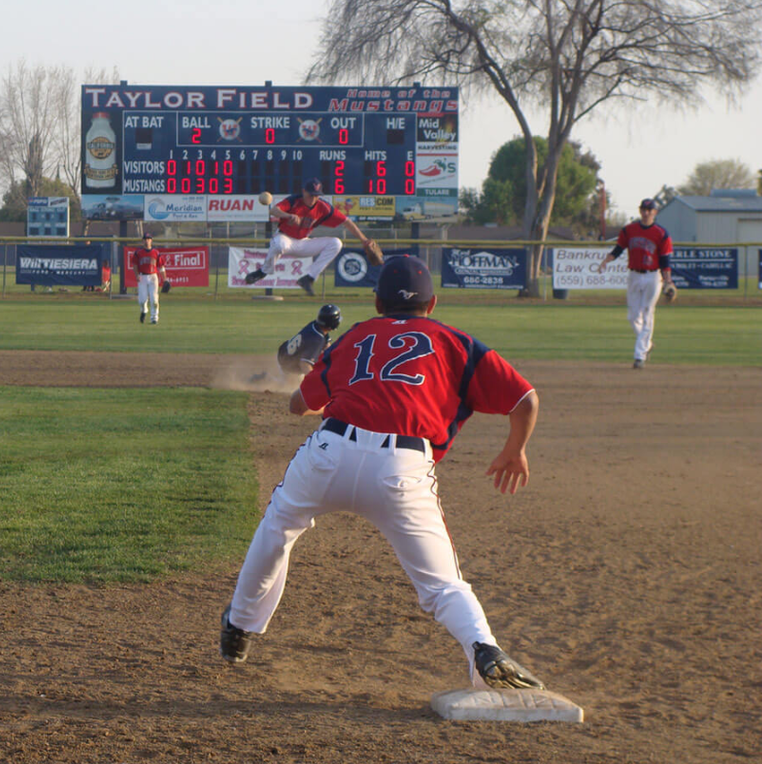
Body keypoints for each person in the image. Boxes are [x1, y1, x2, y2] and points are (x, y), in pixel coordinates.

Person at [220, 256, 546, 691]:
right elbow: (525, 399)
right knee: (443, 585)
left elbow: (300, 404)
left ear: (377, 302)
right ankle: (483, 648)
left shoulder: (356, 335)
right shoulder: (456, 341)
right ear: (432, 304)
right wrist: (514, 450)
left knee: (279, 525)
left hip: (331, 453)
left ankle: (239, 628)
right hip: (403, 468)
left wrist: (310, 381)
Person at [244, 178, 374, 296]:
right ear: (304, 191)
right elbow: (273, 211)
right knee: (278, 244)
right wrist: (288, 215)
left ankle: (309, 278)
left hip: (304, 243)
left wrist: (364, 240)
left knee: (336, 243)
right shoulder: (294, 200)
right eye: (311, 194)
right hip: (286, 239)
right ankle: (263, 272)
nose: (313, 198)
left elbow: (347, 222)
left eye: (316, 195)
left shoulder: (324, 207)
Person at [598, 198, 675, 369]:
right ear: (640, 211)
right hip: (634, 274)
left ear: (655, 212)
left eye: (649, 210)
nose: (646, 212)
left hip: (653, 276)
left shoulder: (661, 233)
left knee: (648, 313)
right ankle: (647, 344)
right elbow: (618, 249)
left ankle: (639, 356)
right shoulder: (629, 230)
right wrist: (606, 260)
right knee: (633, 316)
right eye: (644, 209)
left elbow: (665, 260)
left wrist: (668, 280)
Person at [249, 304, 342, 385]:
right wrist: (317, 381)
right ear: (333, 324)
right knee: (292, 388)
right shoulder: (317, 340)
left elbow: (326, 343)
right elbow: (304, 364)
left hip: (286, 352)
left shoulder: (316, 326)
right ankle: (266, 379)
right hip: (289, 365)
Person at [133, 232, 166, 324]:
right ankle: (144, 311)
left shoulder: (156, 252)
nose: (147, 241)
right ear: (142, 241)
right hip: (142, 276)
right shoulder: (138, 252)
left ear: (151, 240)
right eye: (145, 239)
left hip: (153, 277)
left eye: (149, 239)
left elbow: (161, 266)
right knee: (142, 300)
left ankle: (154, 318)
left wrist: (165, 279)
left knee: (154, 299)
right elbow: (135, 265)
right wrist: (136, 275)